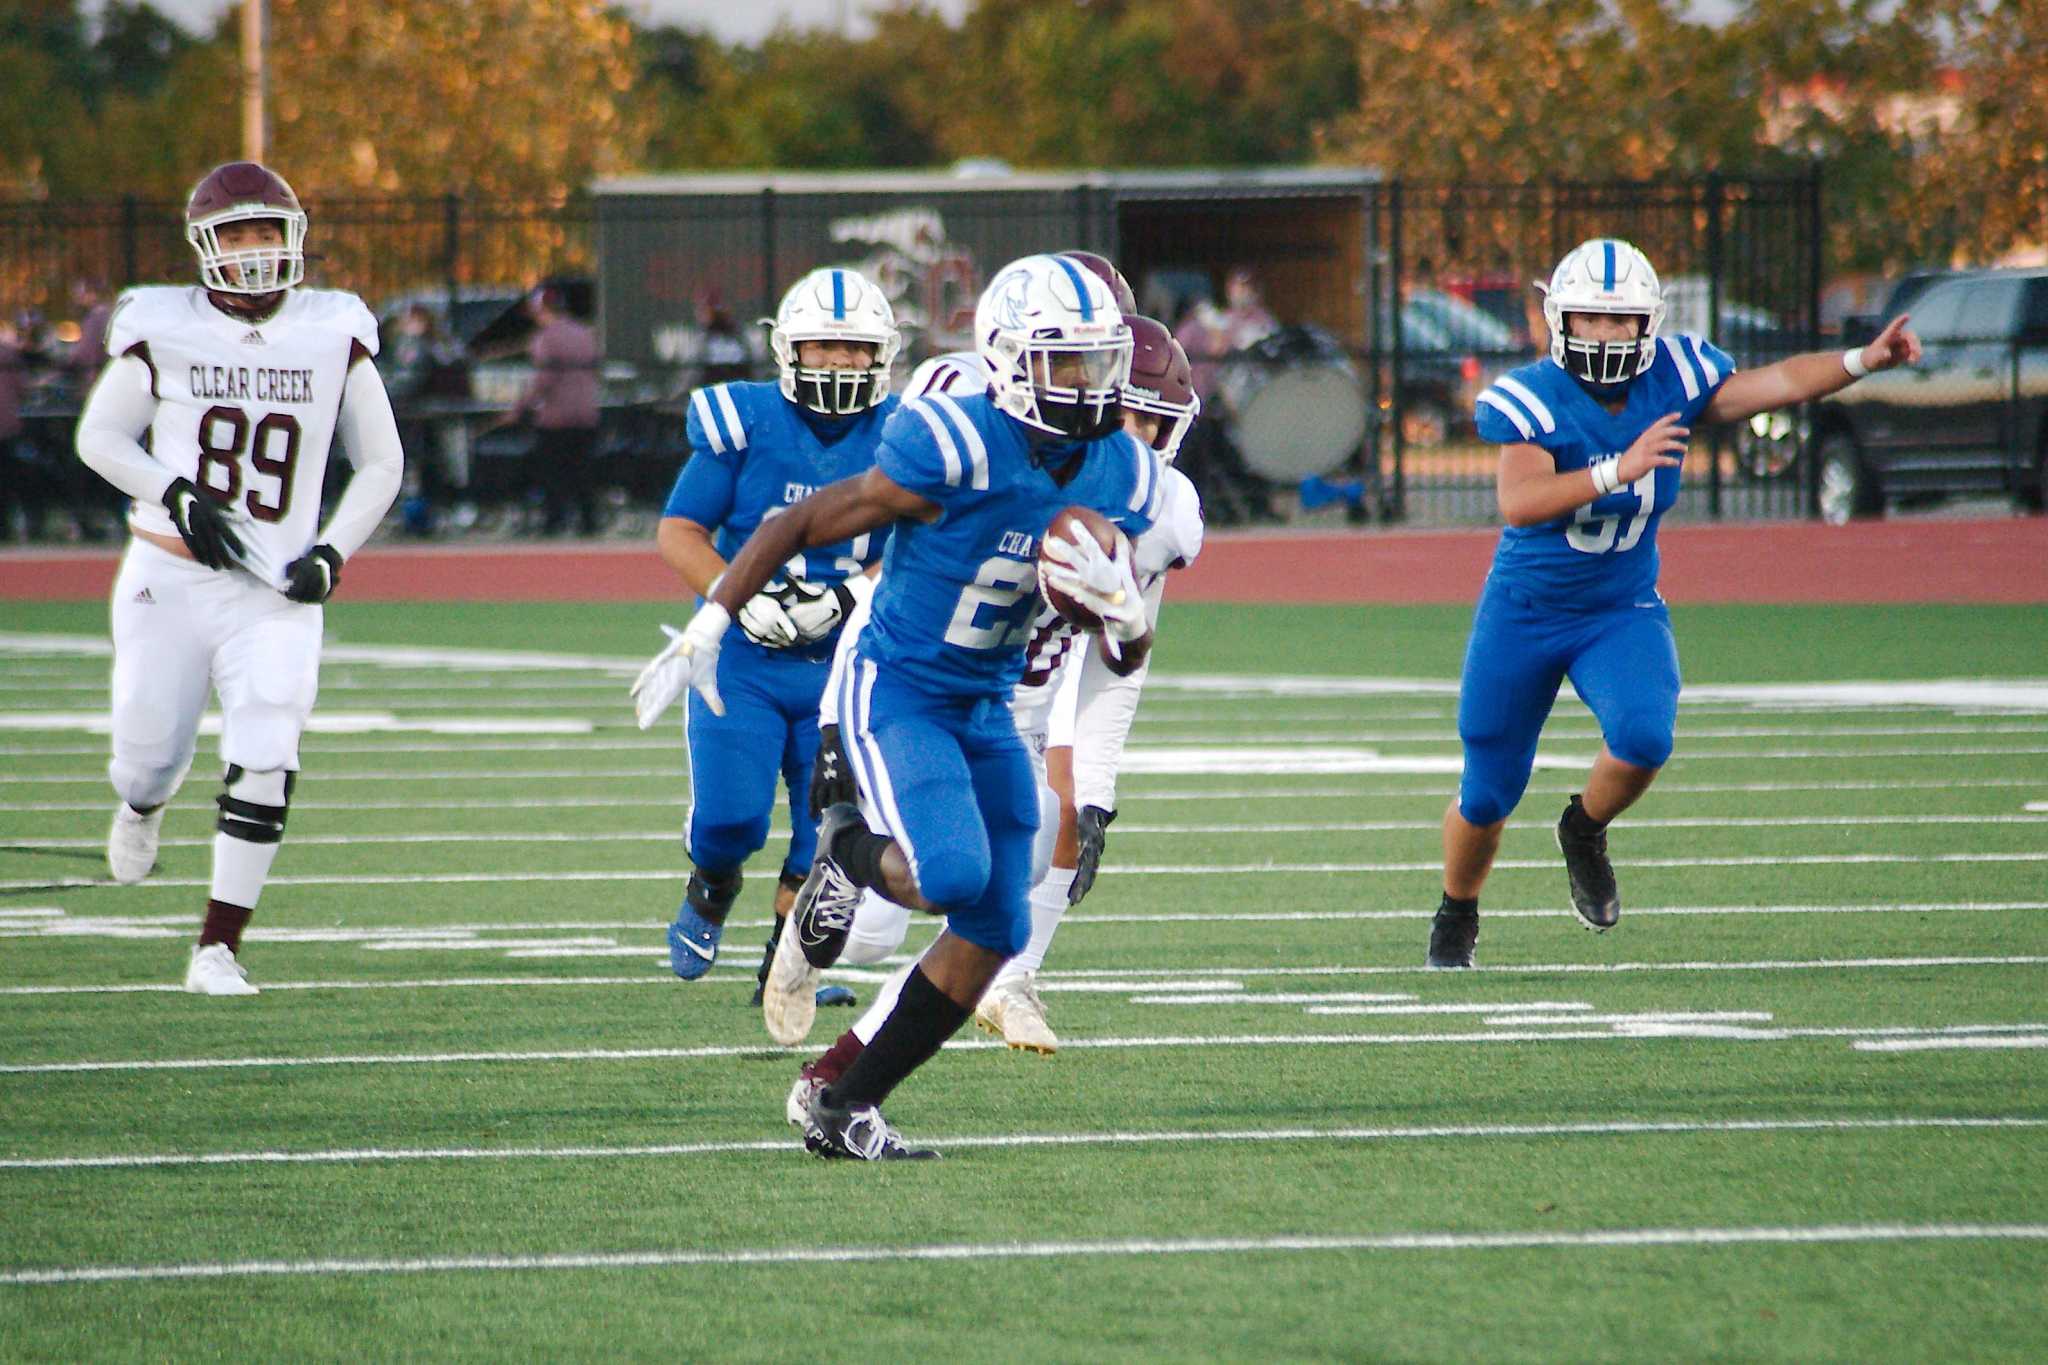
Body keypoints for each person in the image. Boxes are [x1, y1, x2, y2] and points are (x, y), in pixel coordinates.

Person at [631, 253, 1162, 1160]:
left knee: (997, 922)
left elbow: (1123, 654)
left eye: (1097, 361)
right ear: (1006, 357)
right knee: (951, 876)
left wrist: (1126, 613)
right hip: (899, 689)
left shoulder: (1120, 474)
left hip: (987, 704)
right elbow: (792, 523)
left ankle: (842, 1100)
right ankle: (841, 848)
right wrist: (710, 623)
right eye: (1062, 360)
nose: (1085, 383)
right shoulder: (953, 443)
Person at [1427, 236, 1922, 968]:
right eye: (1590, 319)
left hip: (1618, 606)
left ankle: (1584, 828)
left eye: (1620, 319)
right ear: (1559, 320)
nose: (1604, 334)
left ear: (1646, 323)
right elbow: (1521, 501)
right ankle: (1458, 909)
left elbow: (1780, 379)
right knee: (1488, 792)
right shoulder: (1529, 394)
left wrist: (1859, 361)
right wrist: (1613, 469)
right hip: (1526, 611)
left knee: (1645, 736)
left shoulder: (1676, 375)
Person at [784, 313, 1202, 1083]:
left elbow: (1119, 664)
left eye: (1155, 420)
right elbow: (894, 587)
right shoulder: (981, 430)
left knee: (1002, 904)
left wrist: (1095, 786)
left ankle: (875, 1061)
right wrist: (842, 721)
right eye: (1127, 407)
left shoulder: (1155, 501)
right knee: (878, 929)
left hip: (1017, 708)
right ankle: (844, 863)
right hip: (920, 693)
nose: (1138, 433)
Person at [72, 160, 405, 995]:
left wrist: (332, 552)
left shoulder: (334, 328)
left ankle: (217, 946)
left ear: (294, 237)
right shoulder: (166, 322)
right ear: (203, 245)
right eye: (236, 233)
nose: (254, 250)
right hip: (170, 573)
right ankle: (141, 807)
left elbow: (383, 462)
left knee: (268, 738)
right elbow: (102, 438)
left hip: (275, 590)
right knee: (147, 757)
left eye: (267, 231)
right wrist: (176, 493)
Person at [635, 266, 900, 1003]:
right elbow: (679, 529)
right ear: (789, 349)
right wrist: (738, 598)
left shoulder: (907, 434)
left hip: (846, 662)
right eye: (823, 347)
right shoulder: (745, 420)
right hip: (742, 661)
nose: (840, 363)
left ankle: (784, 966)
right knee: (731, 818)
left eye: (855, 349)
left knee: (826, 828)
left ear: (884, 353)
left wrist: (852, 591)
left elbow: (921, 544)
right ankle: (711, 881)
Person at [508, 285, 600, 536]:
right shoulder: (584, 333)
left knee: (553, 473)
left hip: (556, 417)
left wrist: (519, 408)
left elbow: (543, 381)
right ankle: (588, 521)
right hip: (586, 413)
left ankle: (554, 521)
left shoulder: (545, 338)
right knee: (583, 470)